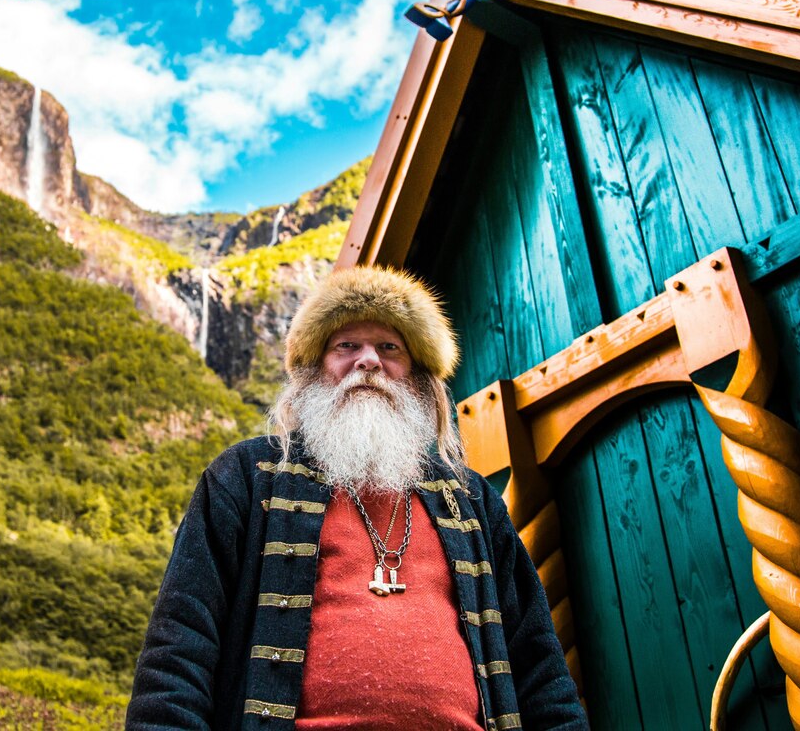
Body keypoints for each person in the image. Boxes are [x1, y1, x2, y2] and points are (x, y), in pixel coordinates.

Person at [126, 265, 589, 731]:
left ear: (418, 377)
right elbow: (179, 650)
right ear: (314, 371)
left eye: (389, 347)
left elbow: (539, 669)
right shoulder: (247, 478)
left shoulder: (470, 499)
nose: (368, 361)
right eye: (346, 345)